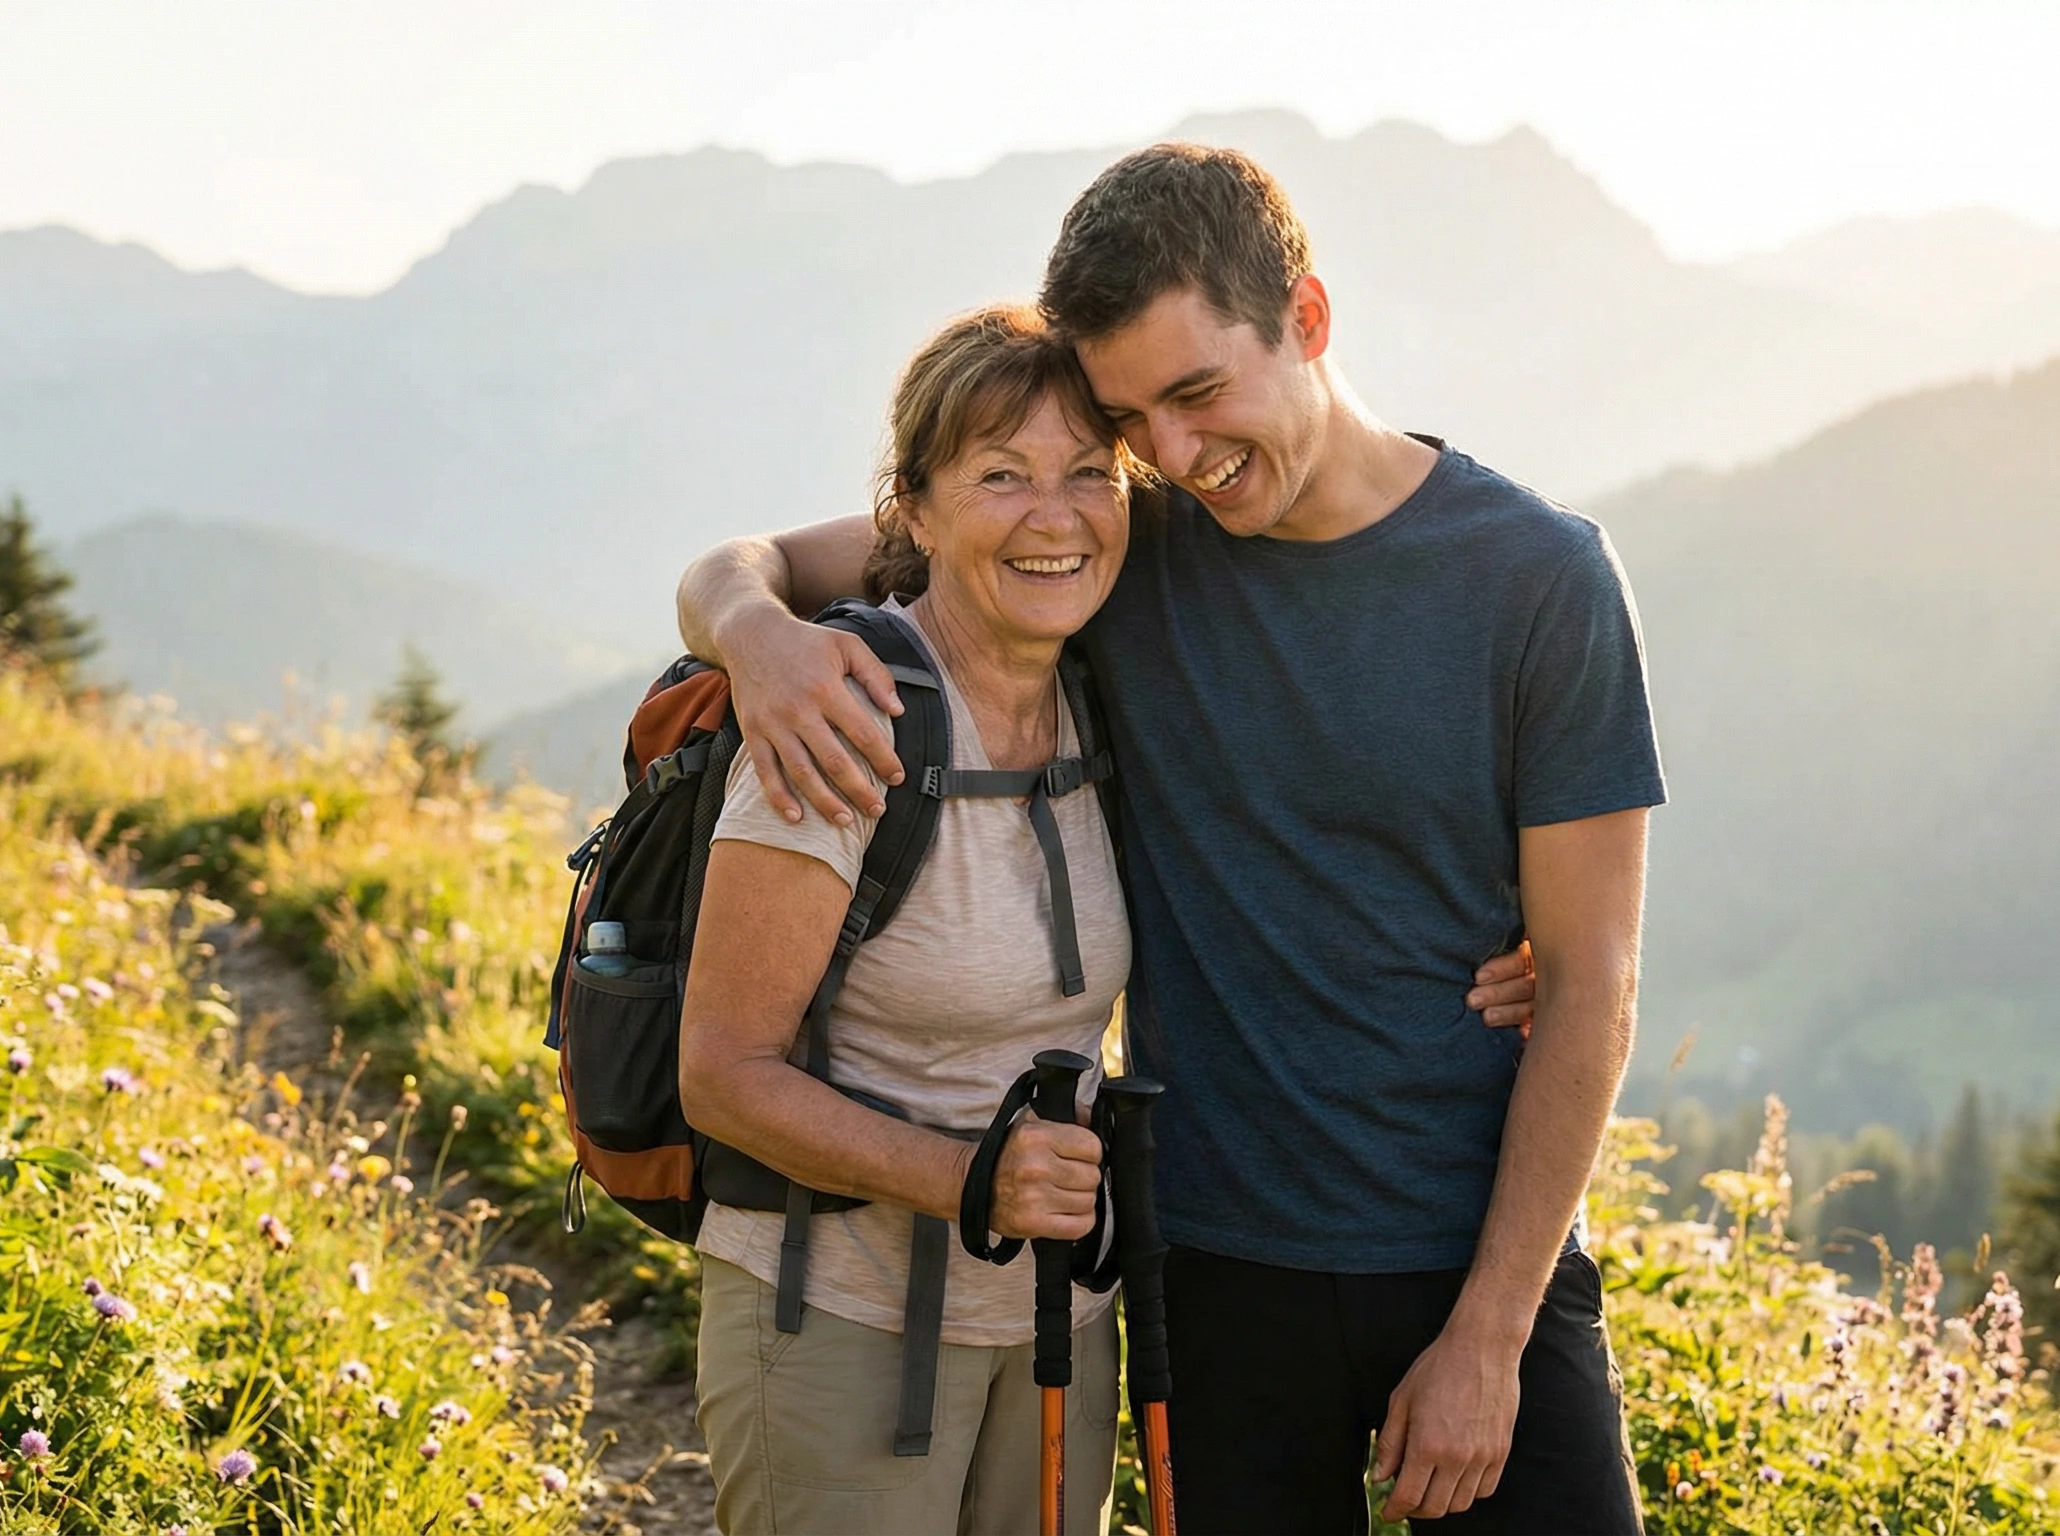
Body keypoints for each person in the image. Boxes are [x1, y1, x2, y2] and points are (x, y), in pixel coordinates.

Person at [677, 143, 1657, 1533]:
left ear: (1306, 322)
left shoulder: (1543, 580)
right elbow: (758, 562)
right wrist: (755, 638)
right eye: (1136, 420)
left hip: (1478, 1257)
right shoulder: (1117, 543)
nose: (1180, 458)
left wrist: (1491, 1337)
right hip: (1210, 1272)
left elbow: (1594, 985)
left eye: (1198, 394)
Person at [678, 304, 1134, 1534]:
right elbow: (720, 1075)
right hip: (834, 1324)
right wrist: (969, 1179)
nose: (1056, 514)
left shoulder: (1110, 690)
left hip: (1058, 1323)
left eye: (1089, 472)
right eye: (1001, 475)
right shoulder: (843, 717)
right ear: (913, 513)